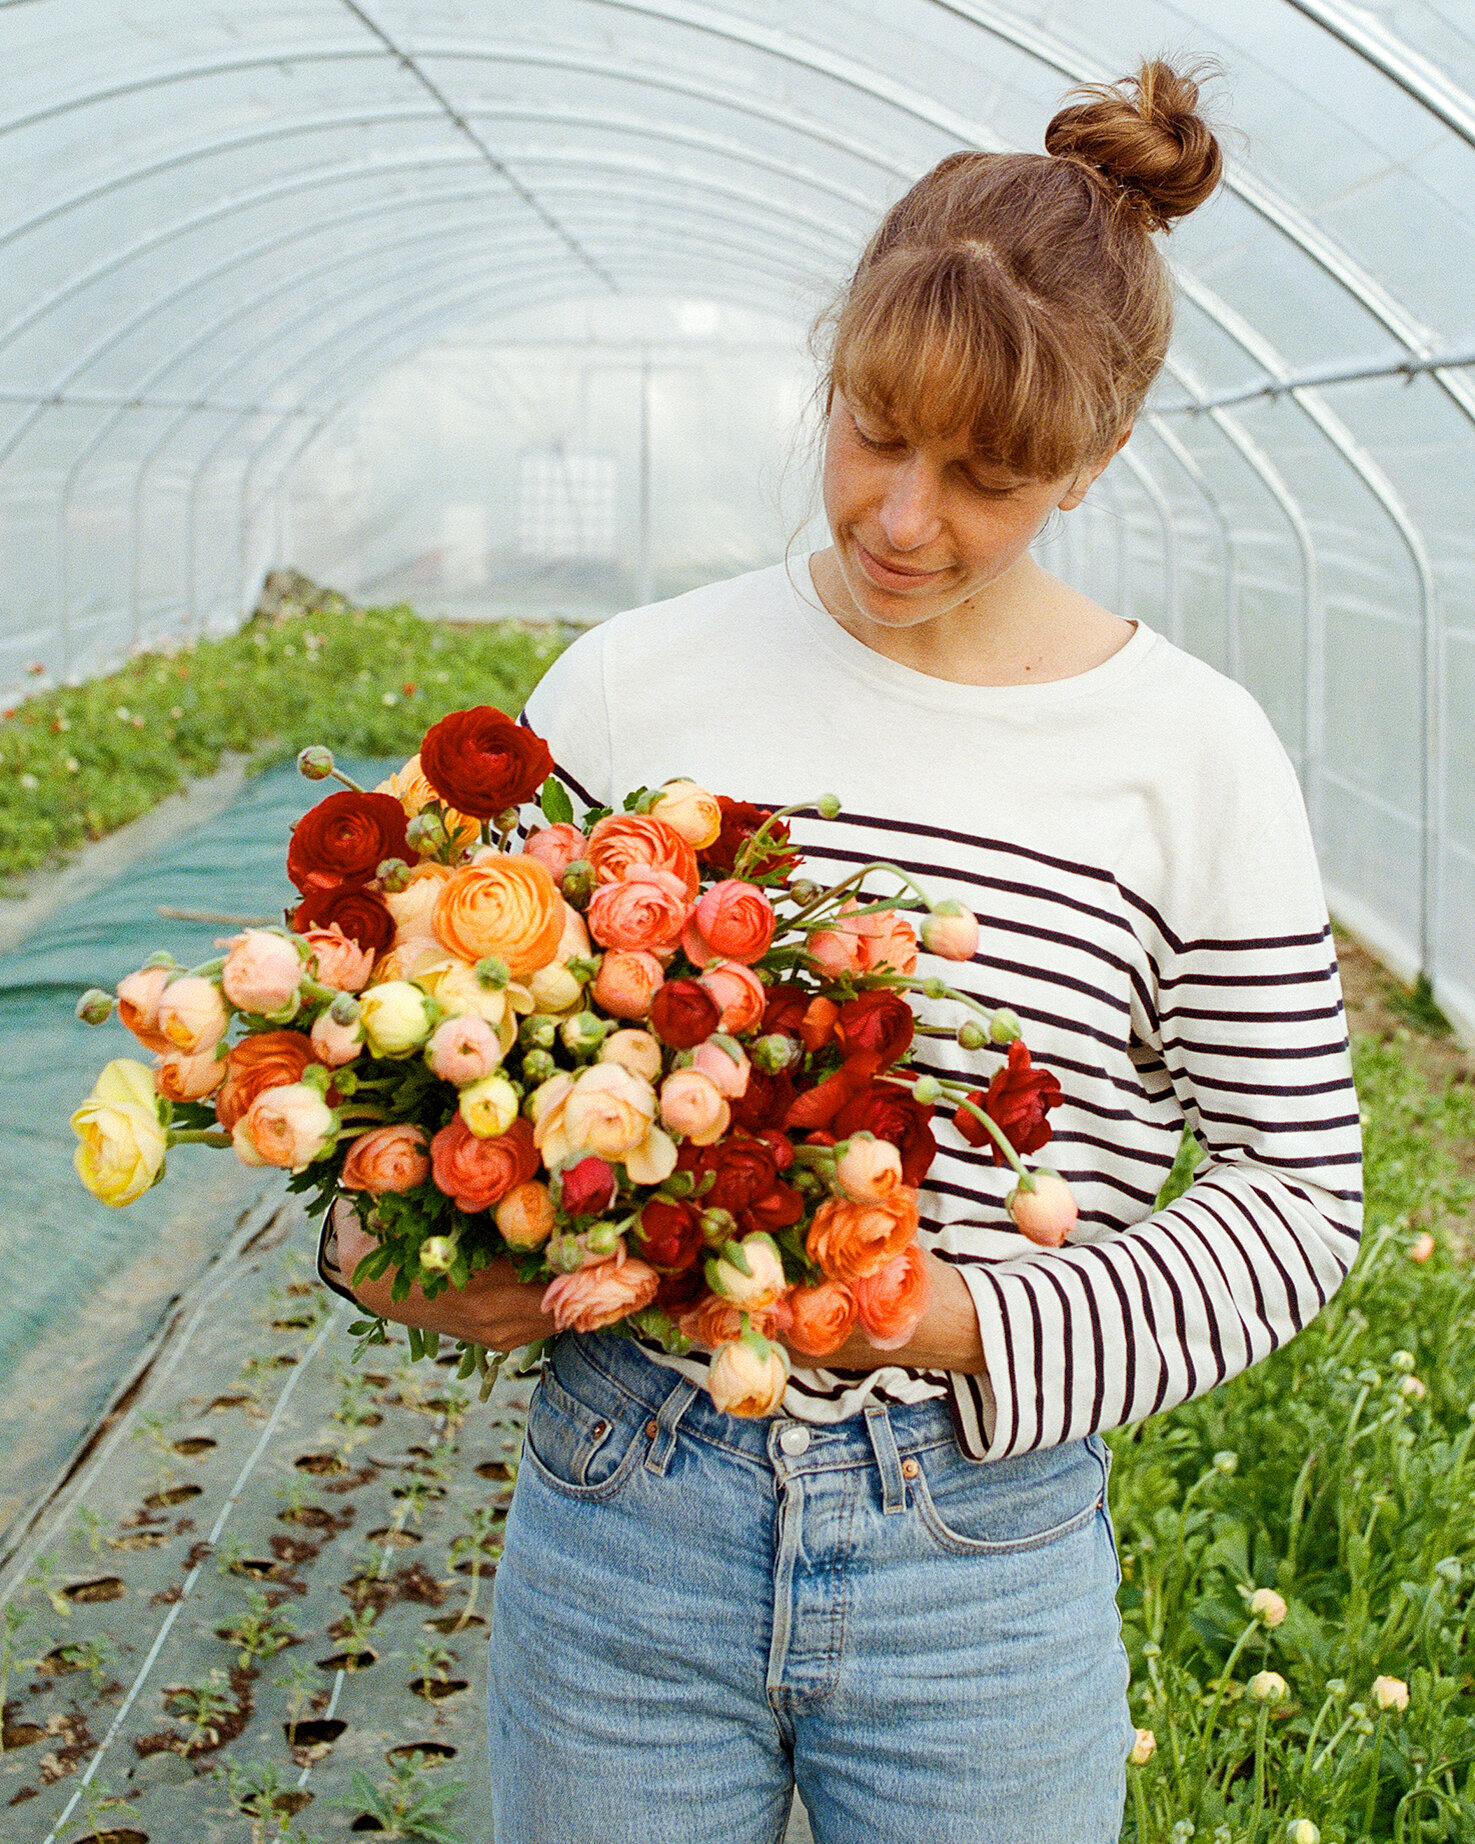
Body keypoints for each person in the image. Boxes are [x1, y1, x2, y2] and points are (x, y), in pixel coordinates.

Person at [327, 59, 1361, 1844]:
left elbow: (1300, 1193)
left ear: (1097, 460)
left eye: (986, 475)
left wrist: (963, 1320)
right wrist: (381, 1238)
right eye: (876, 430)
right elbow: (428, 1042)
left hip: (975, 1546)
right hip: (625, 1503)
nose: (901, 516)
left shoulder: (1189, 756)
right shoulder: (637, 688)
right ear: (832, 374)